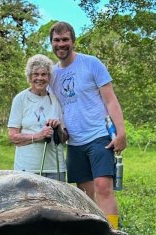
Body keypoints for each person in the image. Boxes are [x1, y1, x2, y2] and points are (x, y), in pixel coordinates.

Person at [48, 21, 127, 230]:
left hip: (99, 135)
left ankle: (113, 231)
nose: (61, 44)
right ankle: (93, 229)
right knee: (84, 193)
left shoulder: (91, 64)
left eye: (65, 39)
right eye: (57, 40)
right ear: (51, 44)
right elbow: (53, 107)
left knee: (103, 187)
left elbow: (110, 99)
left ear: (73, 41)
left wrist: (121, 132)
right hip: (74, 141)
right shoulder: (52, 75)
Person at [7, 54, 68, 182]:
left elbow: (64, 139)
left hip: (55, 168)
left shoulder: (56, 99)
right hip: (27, 168)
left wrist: (58, 129)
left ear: (49, 77)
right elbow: (13, 136)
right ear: (30, 77)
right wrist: (38, 136)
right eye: (36, 74)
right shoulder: (20, 99)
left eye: (44, 74)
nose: (40, 78)